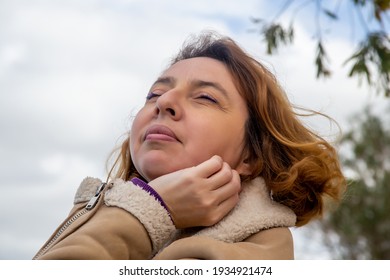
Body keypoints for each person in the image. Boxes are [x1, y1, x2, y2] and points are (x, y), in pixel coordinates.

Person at [33, 31, 346, 260]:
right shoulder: (104, 214)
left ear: (250, 154)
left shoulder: (248, 259)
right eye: (154, 94)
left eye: (205, 97)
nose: (164, 102)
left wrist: (153, 208)